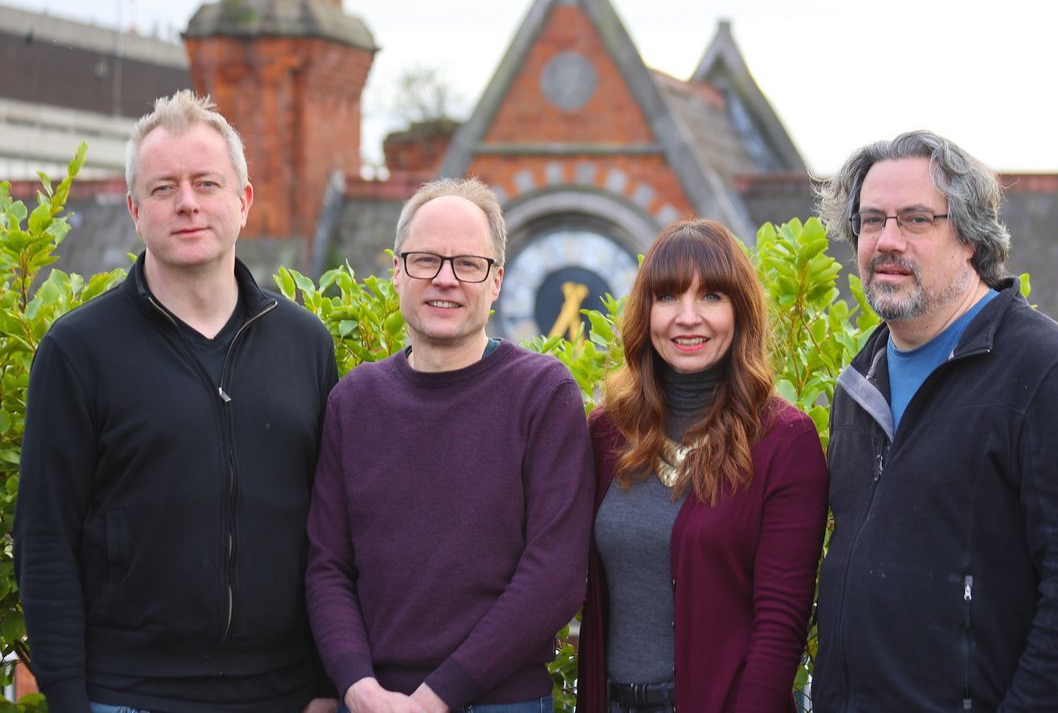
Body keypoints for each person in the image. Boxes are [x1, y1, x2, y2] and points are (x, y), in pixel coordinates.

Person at [14, 90, 339, 713]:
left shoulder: (306, 345)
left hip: (286, 695)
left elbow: (332, 533)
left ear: (243, 201)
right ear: (136, 210)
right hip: (130, 695)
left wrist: (327, 687)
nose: (187, 202)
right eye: (164, 188)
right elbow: (45, 541)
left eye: (206, 182)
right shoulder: (77, 351)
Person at [810, 131, 1058, 710]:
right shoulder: (860, 382)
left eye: (915, 220)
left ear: (968, 237)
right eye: (871, 221)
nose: (887, 241)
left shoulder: (1051, 377)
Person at [305, 178, 593, 713]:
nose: (445, 279)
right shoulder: (354, 401)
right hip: (370, 703)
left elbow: (554, 574)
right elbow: (328, 565)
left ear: (497, 280)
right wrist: (356, 685)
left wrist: (439, 696)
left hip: (498, 700)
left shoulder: (542, 394)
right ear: (396, 270)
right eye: (425, 260)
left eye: (467, 264)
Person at [577, 219, 829, 713]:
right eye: (668, 297)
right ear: (645, 313)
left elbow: (780, 624)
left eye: (712, 296)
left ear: (740, 312)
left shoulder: (783, 441)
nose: (687, 317)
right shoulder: (607, 432)